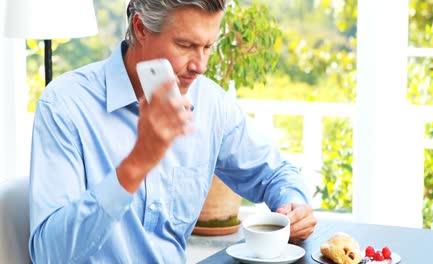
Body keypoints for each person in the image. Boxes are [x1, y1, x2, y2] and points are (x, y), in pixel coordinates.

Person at [29, 0, 317, 262]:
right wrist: (137, 163)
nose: (201, 66)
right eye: (185, 45)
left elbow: (275, 173)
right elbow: (49, 254)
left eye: (208, 47)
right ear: (141, 28)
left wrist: (294, 206)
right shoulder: (65, 106)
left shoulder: (210, 103)